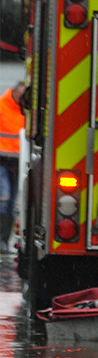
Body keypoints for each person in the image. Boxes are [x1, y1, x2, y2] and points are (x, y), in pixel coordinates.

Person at [0, 81, 24, 253]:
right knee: (4, 198)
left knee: (11, 204)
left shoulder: (26, 111)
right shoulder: (2, 106)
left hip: (17, 163)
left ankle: (3, 242)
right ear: (14, 93)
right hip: (1, 161)